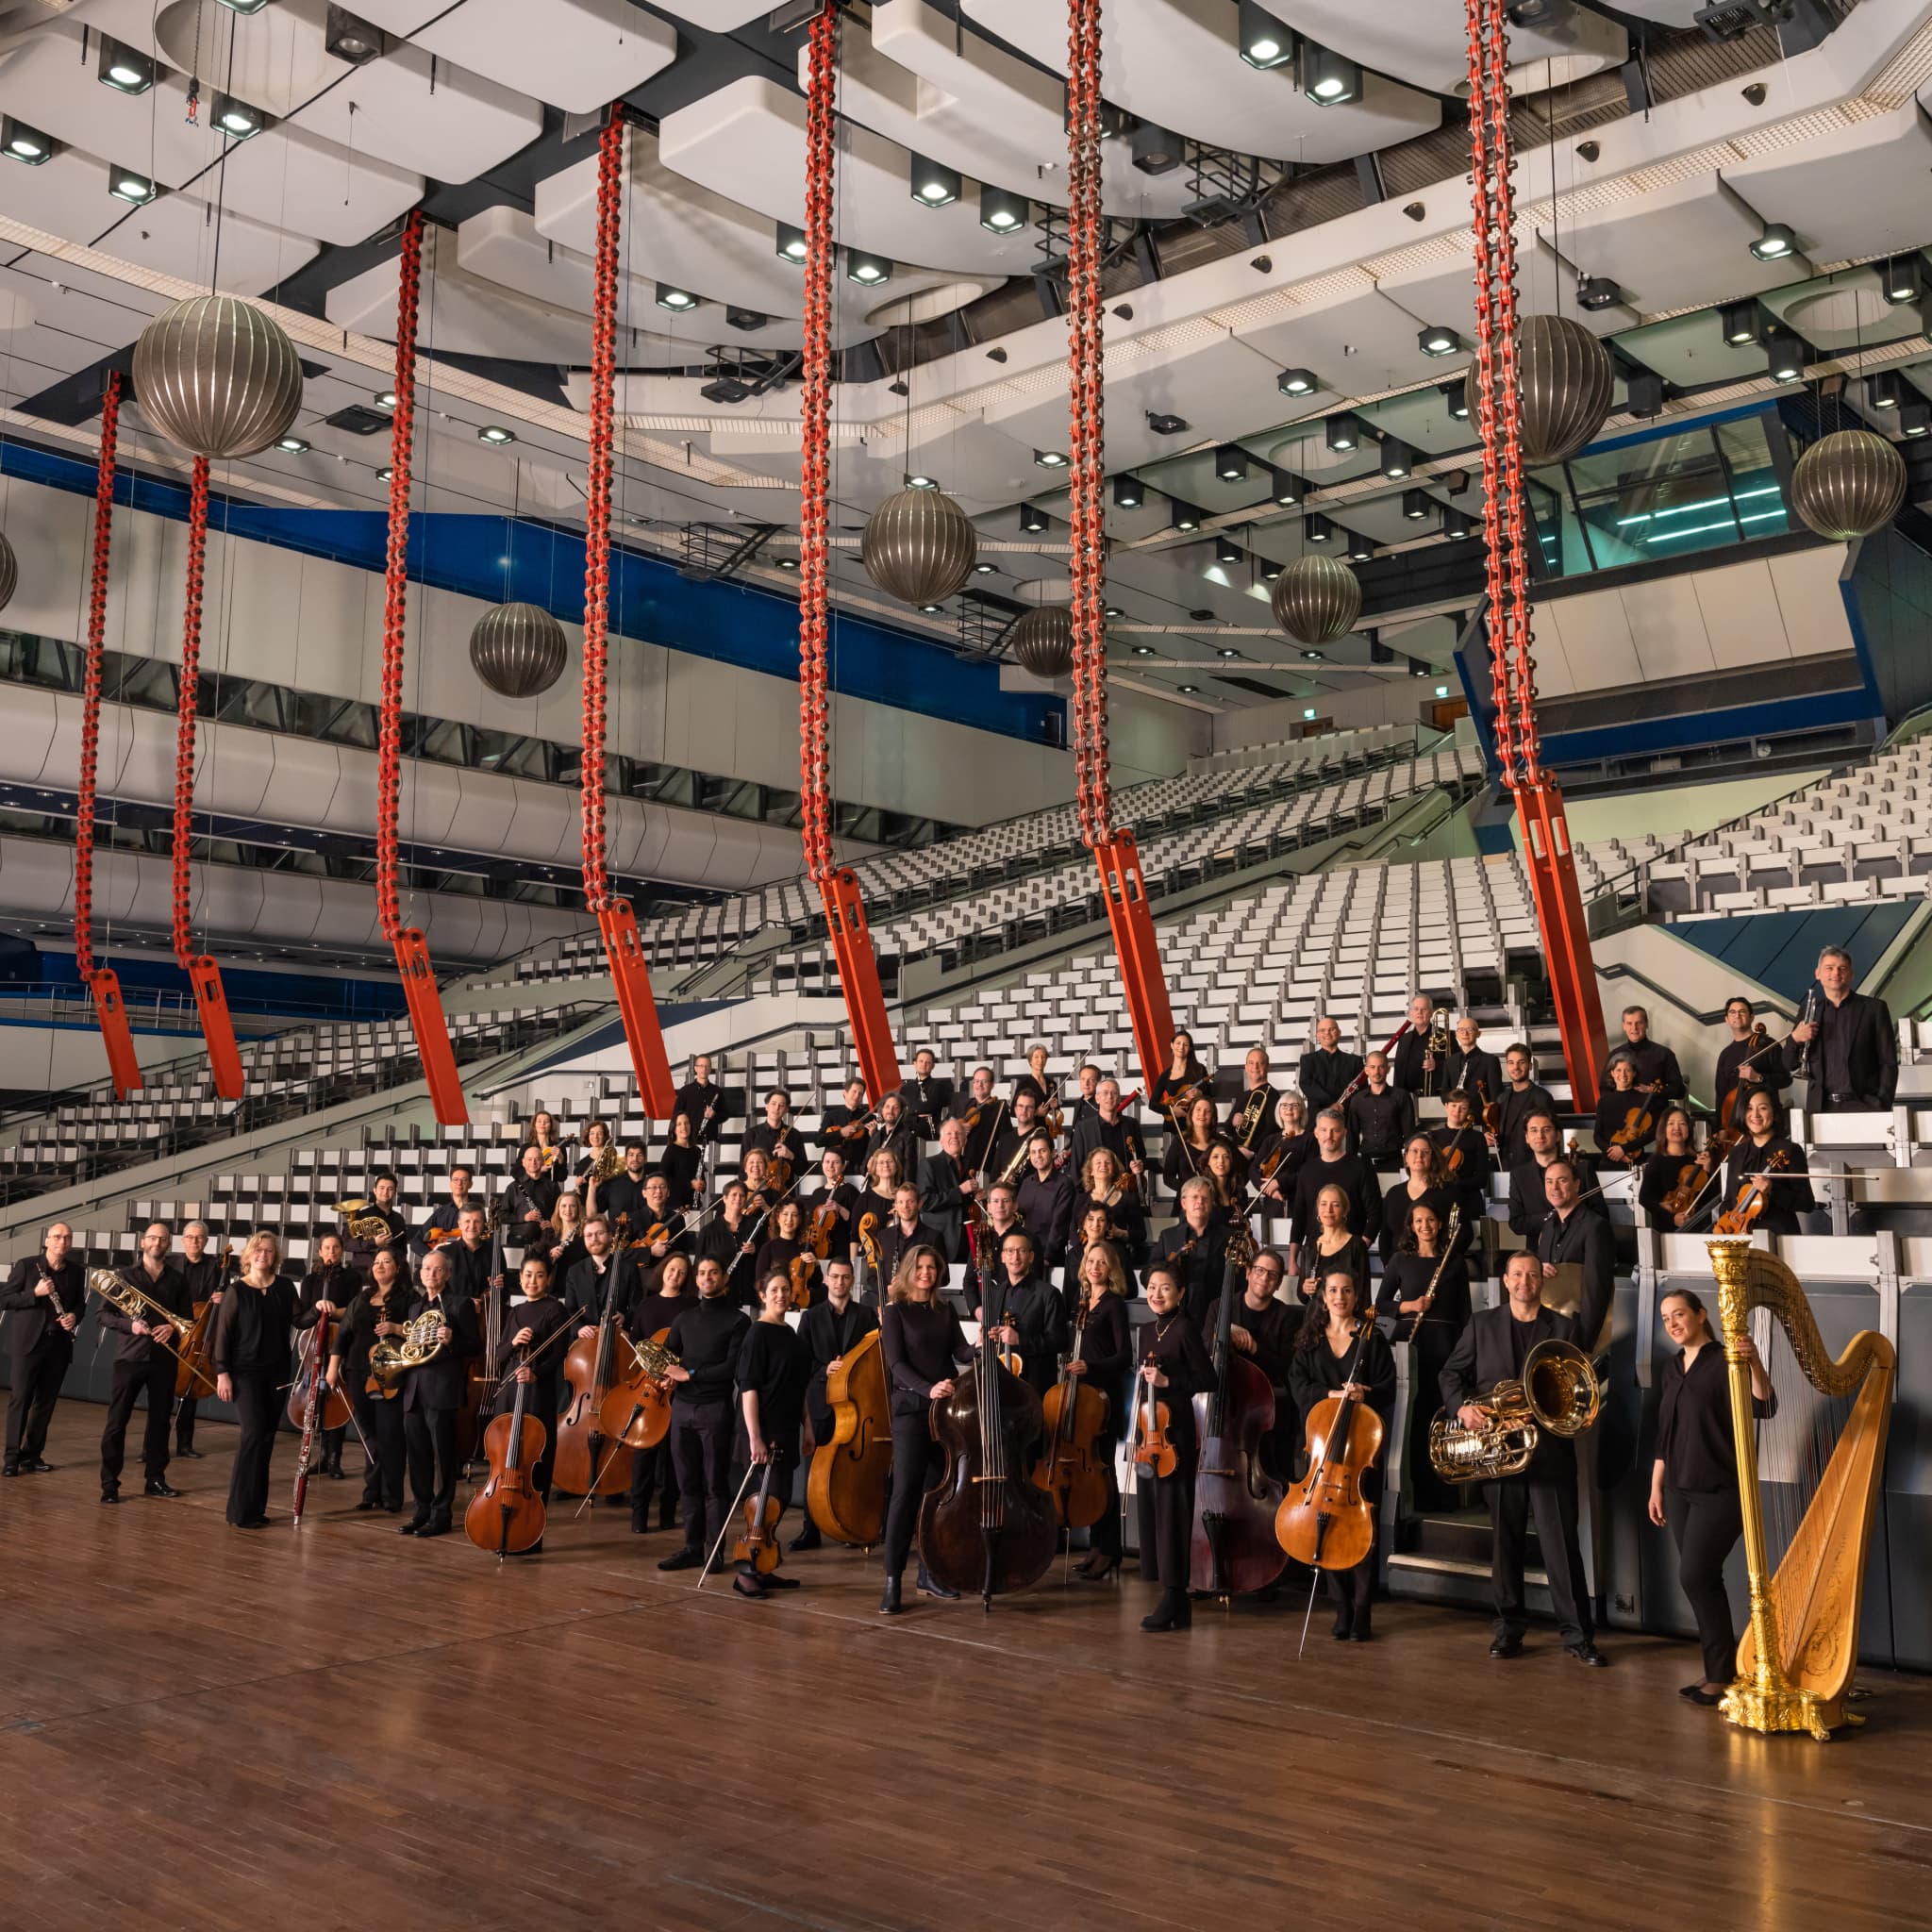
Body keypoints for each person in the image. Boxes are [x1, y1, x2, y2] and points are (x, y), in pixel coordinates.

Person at [1441, 1250, 1606, 1667]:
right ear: (1506, 1281)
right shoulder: (1482, 1324)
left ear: (1541, 1282)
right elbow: (1450, 1374)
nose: (1525, 1281)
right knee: (1506, 1544)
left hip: (1549, 1452)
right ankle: (1509, 1628)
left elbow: (1576, 1386)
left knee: (1562, 1548)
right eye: (1517, 1274)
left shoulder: (1564, 1328)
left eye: (1532, 1275)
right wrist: (1462, 1408)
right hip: (1499, 1454)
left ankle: (1577, 1636)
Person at [1649, 1286, 1774, 1705]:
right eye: (1666, 1319)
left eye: (1680, 1314)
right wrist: (1656, 1487)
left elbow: (1765, 1406)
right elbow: (1665, 1436)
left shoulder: (1727, 1360)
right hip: (1680, 1488)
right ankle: (1719, 1673)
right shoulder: (1670, 1368)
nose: (1673, 1323)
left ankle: (1720, 1675)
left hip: (1721, 1490)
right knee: (1704, 1582)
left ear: (1702, 1315)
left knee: (1695, 1576)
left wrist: (1754, 1362)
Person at [1289, 1266, 1397, 1641]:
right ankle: (1341, 1606)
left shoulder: (1373, 1339)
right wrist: (1330, 1394)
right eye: (1332, 1290)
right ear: (1323, 1296)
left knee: (1360, 1531)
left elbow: (1388, 1388)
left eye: (1346, 1291)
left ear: (1356, 1296)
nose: (1339, 1297)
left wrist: (1364, 1393)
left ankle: (1363, 1609)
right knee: (1325, 1525)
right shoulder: (1309, 1340)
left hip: (1360, 1452)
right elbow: (1297, 1386)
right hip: (1321, 1452)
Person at [877, 1243, 972, 1613]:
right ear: (909, 1271)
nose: (926, 1273)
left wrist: (983, 1347)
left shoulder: (944, 1310)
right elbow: (896, 1363)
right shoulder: (895, 1311)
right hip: (911, 1411)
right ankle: (892, 1579)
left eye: (932, 1267)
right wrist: (926, 1388)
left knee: (938, 1492)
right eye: (921, 1267)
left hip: (944, 1412)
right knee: (905, 1493)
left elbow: (959, 1352)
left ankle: (929, 1573)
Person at [1132, 1260, 1215, 1634]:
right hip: (1149, 1433)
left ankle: (1174, 1593)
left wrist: (1168, 1379)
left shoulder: (1184, 1329)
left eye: (1165, 1288)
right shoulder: (1146, 1330)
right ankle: (1175, 1601)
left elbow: (1207, 1379)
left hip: (1175, 1434)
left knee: (1173, 1515)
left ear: (1181, 1293)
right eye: (1151, 1287)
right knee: (1154, 1513)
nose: (1156, 1294)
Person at [1374, 1199, 1471, 1511]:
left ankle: (1447, 1494)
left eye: (1430, 1220)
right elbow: (1380, 1306)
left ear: (1440, 1223)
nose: (1425, 1226)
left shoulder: (1454, 1262)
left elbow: (1465, 1313)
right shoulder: (1401, 1260)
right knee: (1416, 1419)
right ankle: (1419, 1496)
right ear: (1411, 1227)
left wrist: (1465, 1354)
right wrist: (1411, 1306)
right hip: (1413, 1346)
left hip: (1447, 1347)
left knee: (1444, 1417)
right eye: (1418, 1221)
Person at [657, 1256, 751, 1573]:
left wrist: (690, 1374)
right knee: (688, 1484)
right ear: (695, 1280)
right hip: (682, 1409)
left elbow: (731, 1369)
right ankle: (692, 1548)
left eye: (713, 1272)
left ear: (724, 1278)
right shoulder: (684, 1319)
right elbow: (668, 1358)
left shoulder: (739, 1321)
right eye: (701, 1273)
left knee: (714, 1485)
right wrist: (667, 1375)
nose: (707, 1277)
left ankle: (715, 1551)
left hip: (715, 1409)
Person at [97, 1222, 192, 1507]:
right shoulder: (123, 1276)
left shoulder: (178, 1279)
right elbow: (103, 1316)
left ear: (168, 1244)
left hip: (164, 1358)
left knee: (160, 1422)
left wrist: (172, 1329)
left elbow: (187, 1319)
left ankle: (155, 1479)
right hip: (130, 1357)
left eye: (163, 1239)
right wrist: (130, 1326)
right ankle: (110, 1484)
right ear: (143, 1242)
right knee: (117, 1422)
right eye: (152, 1238)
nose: (157, 1243)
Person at [212, 1230, 300, 1530]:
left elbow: (301, 1320)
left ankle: (256, 1508)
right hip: (244, 1373)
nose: (264, 1254)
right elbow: (222, 1335)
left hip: (277, 1373)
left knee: (266, 1439)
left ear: (276, 1257)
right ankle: (239, 1510)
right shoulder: (238, 1291)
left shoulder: (285, 1287)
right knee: (252, 1435)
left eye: (269, 1251)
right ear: (249, 1255)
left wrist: (326, 1309)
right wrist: (222, 1372)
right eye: (258, 1250)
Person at [395, 1248, 482, 1541]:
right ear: (420, 1274)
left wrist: (453, 1339)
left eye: (437, 1269)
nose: (430, 1274)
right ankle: (421, 1510)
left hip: (442, 1390)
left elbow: (475, 1346)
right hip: (414, 1390)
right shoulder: (414, 1308)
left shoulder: (460, 1305)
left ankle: (441, 1514)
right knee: (417, 1455)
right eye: (426, 1269)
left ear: (447, 1274)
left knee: (443, 1457)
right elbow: (413, 1349)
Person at [734, 1272, 811, 1598]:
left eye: (785, 1289)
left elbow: (801, 1388)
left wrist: (808, 1426)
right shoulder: (757, 1333)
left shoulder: (792, 1335)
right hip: (762, 1432)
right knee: (759, 1504)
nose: (781, 1294)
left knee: (775, 1503)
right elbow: (748, 1388)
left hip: (786, 1429)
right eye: (774, 1290)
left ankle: (764, 1567)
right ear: (762, 1294)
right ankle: (746, 1572)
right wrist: (755, 1437)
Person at [795, 1257, 878, 1553]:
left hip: (856, 1403)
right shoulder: (810, 1317)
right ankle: (810, 1530)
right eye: (835, 1277)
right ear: (827, 1279)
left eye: (845, 1277)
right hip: (821, 1401)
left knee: (851, 1469)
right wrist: (823, 1370)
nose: (840, 1282)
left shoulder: (867, 1315)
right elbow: (800, 1363)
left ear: (852, 1280)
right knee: (815, 1467)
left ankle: (849, 1526)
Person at [1063, 1241, 1133, 1579]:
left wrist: (1089, 1366)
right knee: (1089, 1472)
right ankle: (1095, 1545)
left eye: (1102, 1262)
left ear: (1111, 1269)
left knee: (1104, 1474)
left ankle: (1110, 1550)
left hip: (1103, 1398)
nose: (1095, 1266)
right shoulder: (1082, 1304)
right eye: (1091, 1260)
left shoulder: (1114, 1305)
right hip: (1083, 1397)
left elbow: (1124, 1357)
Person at [326, 1249, 409, 1514]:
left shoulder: (409, 1297)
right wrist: (332, 1368)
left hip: (390, 1374)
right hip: (356, 1370)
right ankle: (371, 1492)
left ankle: (391, 1495)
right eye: (376, 1262)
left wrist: (396, 1328)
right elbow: (344, 1334)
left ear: (397, 1266)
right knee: (369, 1435)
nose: (380, 1266)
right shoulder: (362, 1297)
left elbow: (419, 1331)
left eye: (386, 1261)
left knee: (390, 1435)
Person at [491, 1255, 572, 1522]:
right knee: (505, 1450)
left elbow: (559, 1354)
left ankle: (531, 1520)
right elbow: (500, 1355)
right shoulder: (515, 1311)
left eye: (539, 1275)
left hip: (536, 1390)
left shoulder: (555, 1310)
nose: (532, 1281)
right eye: (527, 1274)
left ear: (548, 1278)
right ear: (520, 1277)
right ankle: (502, 1507)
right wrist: (513, 1342)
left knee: (534, 1454)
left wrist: (535, 1373)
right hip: (510, 1390)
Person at [1205, 1245, 1295, 1475]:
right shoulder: (1219, 1307)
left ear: (1279, 1282)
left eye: (1272, 1274)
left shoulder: (1287, 1316)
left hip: (1266, 1401)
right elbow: (1205, 1351)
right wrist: (1222, 1333)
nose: (1264, 1278)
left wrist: (1256, 1348)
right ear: (1247, 1273)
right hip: (1226, 1398)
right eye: (1259, 1270)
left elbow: (1288, 1367)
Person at [2, 1221, 82, 1476]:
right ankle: (11, 1459)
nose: (62, 1242)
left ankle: (32, 1455)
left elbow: (80, 1304)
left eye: (67, 1238)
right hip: (29, 1345)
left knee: (45, 1404)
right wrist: (33, 1294)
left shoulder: (77, 1271)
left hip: (58, 1344)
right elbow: (4, 1298)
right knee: (20, 1400)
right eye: (57, 1237)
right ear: (47, 1240)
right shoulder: (27, 1266)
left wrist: (73, 1316)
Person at [1784, 943, 1896, 1112]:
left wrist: (1882, 1103)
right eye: (1829, 968)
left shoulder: (1874, 1008)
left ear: (1851, 975)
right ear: (1818, 974)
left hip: (1864, 1105)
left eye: (1842, 968)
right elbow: (1788, 1064)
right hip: (1821, 1107)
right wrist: (1795, 1039)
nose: (1836, 973)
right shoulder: (1808, 1009)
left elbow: (1888, 1062)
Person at [626, 1250, 692, 1535]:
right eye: (671, 1269)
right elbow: (637, 1346)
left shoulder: (692, 1306)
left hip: (677, 1388)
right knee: (644, 1451)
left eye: (681, 1272)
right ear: (662, 1270)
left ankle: (668, 1511)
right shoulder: (646, 1305)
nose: (675, 1275)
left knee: (672, 1453)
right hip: (647, 1387)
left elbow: (694, 1347)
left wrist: (675, 1376)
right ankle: (638, 1515)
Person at [294, 1232, 359, 1480]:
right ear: (319, 1251)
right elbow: (301, 1319)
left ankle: (335, 1459)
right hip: (313, 1347)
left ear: (341, 1251)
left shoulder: (352, 1277)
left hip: (340, 1345)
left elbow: (355, 1311)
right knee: (316, 1401)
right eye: (326, 1248)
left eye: (335, 1248)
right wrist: (316, 1309)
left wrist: (335, 1310)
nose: (331, 1252)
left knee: (336, 1400)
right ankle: (321, 1455)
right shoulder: (310, 1280)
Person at [1535, 1159, 1615, 1350]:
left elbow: (1596, 1291)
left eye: (1562, 1180)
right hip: (1549, 1332)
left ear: (1577, 1184)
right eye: (1549, 1181)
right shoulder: (1547, 1227)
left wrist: (1584, 1344)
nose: (1554, 1187)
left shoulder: (1595, 1227)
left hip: (1578, 1333)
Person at [1288, 1108, 1381, 1269]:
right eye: (1324, 1130)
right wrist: (1292, 1259)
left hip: (1351, 1259)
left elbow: (1376, 1214)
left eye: (1335, 1130)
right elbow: (1299, 1217)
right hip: (1315, 1255)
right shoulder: (1307, 1170)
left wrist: (1357, 1249)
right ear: (1316, 1133)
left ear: (1344, 1133)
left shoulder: (1361, 1168)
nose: (1329, 1136)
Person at [1717, 1089, 1815, 1237]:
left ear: (1774, 1112)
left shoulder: (1790, 1150)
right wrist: (1726, 1220)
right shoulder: (1736, 1153)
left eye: (1762, 1108)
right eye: (1749, 1108)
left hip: (1779, 1236)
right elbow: (1729, 1200)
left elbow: (1807, 1203)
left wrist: (1772, 1190)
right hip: (1741, 1236)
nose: (1755, 1115)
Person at [979, 1228, 1062, 1399]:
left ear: (1031, 1257)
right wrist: (991, 1336)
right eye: (1010, 1251)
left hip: (1035, 1386)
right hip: (1001, 1383)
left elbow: (1059, 1341)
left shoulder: (1048, 1294)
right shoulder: (995, 1293)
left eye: (1021, 1251)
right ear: (1002, 1257)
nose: (1015, 1257)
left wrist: (1020, 1339)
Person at [171, 1221, 225, 1458]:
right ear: (183, 1241)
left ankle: (184, 1444)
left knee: (190, 1389)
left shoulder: (217, 1266)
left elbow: (226, 1297)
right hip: (172, 1332)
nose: (195, 1241)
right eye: (190, 1237)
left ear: (206, 1241)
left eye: (200, 1237)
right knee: (160, 1393)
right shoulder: (170, 1264)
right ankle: (150, 1446)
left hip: (199, 1335)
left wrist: (223, 1296)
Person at [1507, 1113, 1601, 1241]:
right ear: (1527, 1138)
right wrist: (1552, 1217)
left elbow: (1601, 1214)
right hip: (1538, 1254)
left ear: (1558, 1135)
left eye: (1546, 1130)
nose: (1540, 1136)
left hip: (1579, 1250)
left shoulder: (1582, 1169)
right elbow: (1516, 1223)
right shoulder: (1519, 1175)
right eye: (1533, 1130)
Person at [1150, 1176, 1226, 1328]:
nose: (1200, 1202)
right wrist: (1168, 1269)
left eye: (1205, 1198)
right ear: (1184, 1203)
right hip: (1176, 1314)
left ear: (1211, 1203)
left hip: (1216, 1315)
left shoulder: (1227, 1237)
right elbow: (1147, 1273)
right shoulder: (1168, 1236)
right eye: (1195, 1197)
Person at [1713, 995, 1791, 1130]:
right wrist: (1720, 1128)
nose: (1737, 1015)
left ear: (1752, 1017)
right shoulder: (1725, 1055)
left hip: (1765, 1122)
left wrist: (1758, 1078)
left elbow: (1786, 1079)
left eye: (1742, 1011)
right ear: (1727, 1019)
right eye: (1732, 1012)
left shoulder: (1768, 1045)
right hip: (1735, 1124)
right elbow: (1721, 1095)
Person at [1378, 1132, 1451, 1266]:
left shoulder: (1446, 1192)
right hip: (1398, 1267)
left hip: (1434, 1265)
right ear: (1406, 1157)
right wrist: (1388, 1265)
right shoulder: (1393, 1193)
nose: (1419, 1156)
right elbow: (1385, 1235)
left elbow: (1463, 1233)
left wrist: (1444, 1260)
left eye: (1425, 1152)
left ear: (1432, 1158)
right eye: (1414, 1151)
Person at [1065, 1077, 1146, 1196]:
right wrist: (1086, 1198)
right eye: (1105, 1093)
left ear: (1119, 1098)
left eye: (1114, 1093)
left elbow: (1142, 1157)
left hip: (1125, 1193)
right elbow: (1076, 1169)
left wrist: (1140, 1165)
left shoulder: (1131, 1124)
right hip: (1096, 1196)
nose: (1110, 1097)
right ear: (1097, 1098)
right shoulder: (1083, 1128)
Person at [1428, 1089, 1491, 1238]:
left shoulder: (1477, 1138)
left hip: (1468, 1200)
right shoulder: (1433, 1137)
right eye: (1453, 1106)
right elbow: (1429, 1171)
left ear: (1469, 1111)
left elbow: (1482, 1179)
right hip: (1442, 1199)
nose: (1457, 1111)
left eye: (1463, 1108)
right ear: (1446, 1106)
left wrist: (1455, 1184)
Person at [1638, 1107, 1713, 1229]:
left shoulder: (1697, 1160)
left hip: (1695, 1226)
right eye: (1671, 1123)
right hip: (1665, 1229)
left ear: (1688, 1129)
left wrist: (1707, 1172)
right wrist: (1672, 1218)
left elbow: (1708, 1200)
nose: (1677, 1128)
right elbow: (1645, 1198)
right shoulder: (1656, 1160)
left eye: (1682, 1123)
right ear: (1663, 1129)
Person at [1296, 1182, 1371, 1307]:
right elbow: (1302, 1297)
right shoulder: (1309, 1246)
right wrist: (1305, 1289)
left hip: (1346, 1320)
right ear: (1318, 1210)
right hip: (1314, 1319)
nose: (1328, 1210)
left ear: (1345, 1211)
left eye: (1335, 1205)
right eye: (1323, 1204)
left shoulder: (1357, 1245)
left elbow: (1364, 1295)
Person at [918, 1118, 979, 1265]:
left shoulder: (970, 1163)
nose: (954, 1137)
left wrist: (976, 1196)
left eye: (959, 1133)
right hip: (942, 1239)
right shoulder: (928, 1164)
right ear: (941, 1140)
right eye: (949, 1133)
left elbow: (965, 1200)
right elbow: (925, 1202)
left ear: (965, 1140)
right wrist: (959, 1191)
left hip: (967, 1238)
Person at [1074, 1145, 1147, 1267]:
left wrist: (1119, 1233)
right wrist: (1085, 1247)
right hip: (1087, 1256)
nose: (1103, 1165)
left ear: (1114, 1170)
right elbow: (1073, 1231)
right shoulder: (1081, 1199)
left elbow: (1140, 1234)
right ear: (1090, 1171)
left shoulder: (1129, 1199)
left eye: (1107, 1162)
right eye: (1098, 1162)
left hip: (1116, 1256)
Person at [1596, 1005, 1686, 1104]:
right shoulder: (1615, 1054)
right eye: (1629, 1023)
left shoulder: (1665, 1054)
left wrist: (1652, 1091)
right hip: (1622, 1115)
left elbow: (1679, 1090)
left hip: (1656, 1115)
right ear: (1624, 1026)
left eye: (1639, 1023)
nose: (1634, 1028)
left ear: (1647, 1024)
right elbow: (1604, 1089)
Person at [1343, 1051, 1413, 1172]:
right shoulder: (1357, 1100)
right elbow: (1352, 1137)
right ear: (1366, 1070)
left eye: (1381, 1067)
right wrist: (1350, 1165)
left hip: (1395, 1161)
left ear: (1388, 1069)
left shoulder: (1401, 1096)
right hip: (1365, 1162)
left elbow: (1410, 1134)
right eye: (1372, 1067)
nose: (1376, 1072)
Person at [1492, 1045, 1557, 1169]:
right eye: (1511, 1063)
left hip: (1532, 1166)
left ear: (1530, 1066)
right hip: (1505, 1165)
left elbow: (1551, 1135)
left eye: (1521, 1062)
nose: (1515, 1067)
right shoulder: (1502, 1098)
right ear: (1507, 1066)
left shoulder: (1542, 1096)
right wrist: (1491, 1137)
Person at [1016, 1132, 1074, 1264]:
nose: (1038, 1156)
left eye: (1042, 1151)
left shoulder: (1064, 1184)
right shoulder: (1026, 1183)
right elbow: (1018, 1216)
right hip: (1023, 1254)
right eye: (1033, 1152)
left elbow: (1059, 1225)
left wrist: (1047, 1257)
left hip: (1048, 1257)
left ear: (1053, 1153)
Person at [1595, 1053, 1658, 1167]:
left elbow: (1653, 1133)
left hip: (1635, 1159)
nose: (1623, 1075)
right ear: (1612, 1073)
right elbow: (1597, 1136)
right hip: (1609, 1161)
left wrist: (1624, 1149)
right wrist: (1613, 1152)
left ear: (1634, 1073)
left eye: (1627, 1070)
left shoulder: (1644, 1100)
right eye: (1618, 1070)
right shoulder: (1604, 1101)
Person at [754, 1198, 818, 1308]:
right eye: (785, 1214)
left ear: (800, 1220)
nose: (789, 1219)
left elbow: (816, 1284)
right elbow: (761, 1283)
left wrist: (816, 1264)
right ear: (778, 1218)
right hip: (775, 1305)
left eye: (795, 1215)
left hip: (803, 1305)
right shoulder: (768, 1248)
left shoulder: (808, 1248)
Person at [879, 1182, 948, 1286]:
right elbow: (872, 1276)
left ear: (919, 1204)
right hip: (891, 1300)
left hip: (921, 1300)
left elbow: (944, 1278)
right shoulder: (884, 1236)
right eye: (901, 1202)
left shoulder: (934, 1237)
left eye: (910, 1201)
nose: (905, 1206)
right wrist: (888, 1290)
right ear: (895, 1206)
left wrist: (913, 1284)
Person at [1160, 1092, 1228, 1194]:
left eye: (1207, 1111)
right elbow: (1168, 1178)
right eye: (1198, 1110)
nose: (1202, 1114)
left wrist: (1222, 1190)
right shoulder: (1180, 1141)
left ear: (1213, 1116)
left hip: (1216, 1200)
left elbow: (1237, 1173)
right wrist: (1189, 1190)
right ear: (1191, 1114)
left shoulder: (1222, 1142)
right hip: (1188, 1201)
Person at [804, 1146, 860, 1267]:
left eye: (836, 1162)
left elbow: (857, 1223)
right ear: (822, 1164)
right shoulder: (817, 1193)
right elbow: (811, 1224)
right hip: (817, 1247)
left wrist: (839, 1209)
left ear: (843, 1166)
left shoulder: (850, 1191)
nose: (830, 1166)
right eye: (827, 1162)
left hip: (841, 1249)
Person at [1253, 1093, 1310, 1209]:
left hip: (1300, 1200)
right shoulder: (1271, 1140)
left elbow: (1310, 1172)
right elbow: (1253, 1169)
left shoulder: (1311, 1139)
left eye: (1294, 1105)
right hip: (1273, 1200)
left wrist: (1279, 1182)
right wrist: (1267, 1189)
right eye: (1284, 1105)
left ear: (1302, 1111)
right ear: (1279, 1111)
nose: (1289, 1109)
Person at [1297, 1014, 1362, 1116]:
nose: (1327, 1033)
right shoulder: (1308, 1060)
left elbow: (1361, 1091)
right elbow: (1307, 1085)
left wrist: (1342, 1106)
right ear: (1317, 1035)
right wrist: (1332, 1104)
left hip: (1347, 1116)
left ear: (1339, 1032)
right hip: (1318, 1117)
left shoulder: (1355, 1061)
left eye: (1331, 1029)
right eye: (1322, 1030)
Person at [346, 1173, 409, 1274]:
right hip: (363, 1271)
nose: (385, 1192)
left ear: (395, 1192)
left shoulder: (399, 1219)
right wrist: (373, 1243)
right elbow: (347, 1243)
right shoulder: (361, 1216)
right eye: (382, 1188)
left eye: (390, 1189)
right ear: (375, 1190)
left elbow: (403, 1251)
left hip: (389, 1273)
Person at [413, 1165, 481, 1259]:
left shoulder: (477, 1213)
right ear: (450, 1183)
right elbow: (416, 1242)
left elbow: (483, 1241)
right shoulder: (440, 1213)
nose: (459, 1183)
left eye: (464, 1180)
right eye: (455, 1180)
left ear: (470, 1184)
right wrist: (432, 1256)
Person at [1224, 1046, 1281, 1158]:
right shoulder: (1242, 1095)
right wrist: (1233, 1121)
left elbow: (1272, 1129)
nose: (1255, 1067)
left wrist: (1252, 1150)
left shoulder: (1272, 1095)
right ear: (1246, 1067)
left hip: (1257, 1155)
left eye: (1260, 1063)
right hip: (1237, 1151)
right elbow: (1228, 1129)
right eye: (1251, 1063)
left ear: (1268, 1067)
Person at [742, 1090, 803, 1184]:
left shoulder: (794, 1134)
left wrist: (790, 1156)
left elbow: (803, 1170)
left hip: (784, 1193)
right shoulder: (751, 1134)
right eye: (773, 1104)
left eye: (781, 1105)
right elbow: (743, 1169)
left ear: (786, 1110)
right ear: (766, 1106)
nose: (777, 1108)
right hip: (758, 1192)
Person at [1444, 1017, 1503, 1115]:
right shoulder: (1450, 1061)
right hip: (1455, 1116)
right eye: (1461, 1030)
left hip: (1480, 1117)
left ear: (1478, 1034)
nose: (1465, 1033)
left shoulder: (1490, 1060)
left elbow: (1495, 1095)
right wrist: (1454, 1108)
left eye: (1470, 1030)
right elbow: (1445, 1090)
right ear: (1456, 1034)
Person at [674, 1052, 733, 1148]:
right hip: (690, 1141)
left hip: (710, 1141)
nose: (704, 1069)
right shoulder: (685, 1091)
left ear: (710, 1069)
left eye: (707, 1066)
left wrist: (714, 1115)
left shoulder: (717, 1091)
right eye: (701, 1066)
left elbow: (725, 1114)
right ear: (695, 1068)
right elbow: (676, 1116)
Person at [952, 1065, 1003, 1174]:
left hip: (986, 1161)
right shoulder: (962, 1105)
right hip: (961, 1161)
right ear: (973, 1083)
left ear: (992, 1084)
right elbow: (941, 1127)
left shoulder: (999, 1108)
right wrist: (958, 1129)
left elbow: (1004, 1139)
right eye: (977, 1081)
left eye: (984, 1081)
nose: (979, 1085)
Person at [1391, 992, 1443, 1096]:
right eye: (1415, 1009)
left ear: (1431, 1012)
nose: (1419, 1012)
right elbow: (1398, 1071)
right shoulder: (1404, 1039)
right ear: (1410, 1013)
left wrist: (1437, 1065)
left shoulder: (1444, 1035)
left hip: (1436, 1097)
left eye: (1424, 1009)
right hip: (1408, 1098)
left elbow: (1458, 1066)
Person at [898, 1048, 956, 1142]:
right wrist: (915, 1116)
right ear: (915, 1063)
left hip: (928, 1134)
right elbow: (902, 1112)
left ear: (933, 1066)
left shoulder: (939, 1085)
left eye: (928, 1062)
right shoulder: (906, 1088)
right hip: (906, 1134)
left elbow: (928, 1107)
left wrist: (911, 1114)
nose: (924, 1065)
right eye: (921, 1061)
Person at [501, 1142, 559, 1232]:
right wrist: (523, 1217)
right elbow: (502, 1215)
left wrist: (553, 1222)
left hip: (545, 1238)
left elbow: (560, 1212)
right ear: (523, 1163)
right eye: (529, 1159)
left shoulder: (552, 1186)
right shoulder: (513, 1187)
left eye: (537, 1159)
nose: (533, 1162)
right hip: (519, 1238)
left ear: (543, 1162)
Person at [1151, 1028, 1210, 1113]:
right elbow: (1152, 1104)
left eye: (1185, 1045)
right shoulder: (1165, 1075)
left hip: (1194, 1121)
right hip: (1173, 1123)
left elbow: (1209, 1097)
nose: (1181, 1047)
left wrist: (1200, 1094)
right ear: (1172, 1045)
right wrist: (1171, 1111)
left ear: (1190, 1048)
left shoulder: (1199, 1069)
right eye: (1178, 1043)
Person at [657, 1114, 705, 1214]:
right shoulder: (671, 1150)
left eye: (686, 1123)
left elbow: (701, 1177)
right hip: (675, 1207)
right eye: (679, 1124)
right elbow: (663, 1179)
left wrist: (702, 1185)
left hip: (692, 1205)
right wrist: (690, 1184)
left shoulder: (697, 1151)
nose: (684, 1127)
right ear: (674, 1129)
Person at [865, 1093, 921, 1178]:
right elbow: (863, 1168)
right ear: (882, 1110)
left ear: (902, 1112)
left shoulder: (908, 1137)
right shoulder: (875, 1135)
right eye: (887, 1106)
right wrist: (869, 1166)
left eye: (895, 1108)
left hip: (895, 1188)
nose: (890, 1111)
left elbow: (909, 1172)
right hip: (875, 1187)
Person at [819, 1076, 874, 1154]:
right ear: (845, 1093)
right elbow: (819, 1141)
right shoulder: (831, 1115)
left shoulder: (869, 1118)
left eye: (860, 1094)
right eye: (854, 1091)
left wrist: (873, 1135)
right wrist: (840, 1133)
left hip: (858, 1164)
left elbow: (872, 1148)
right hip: (835, 1163)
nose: (857, 1096)